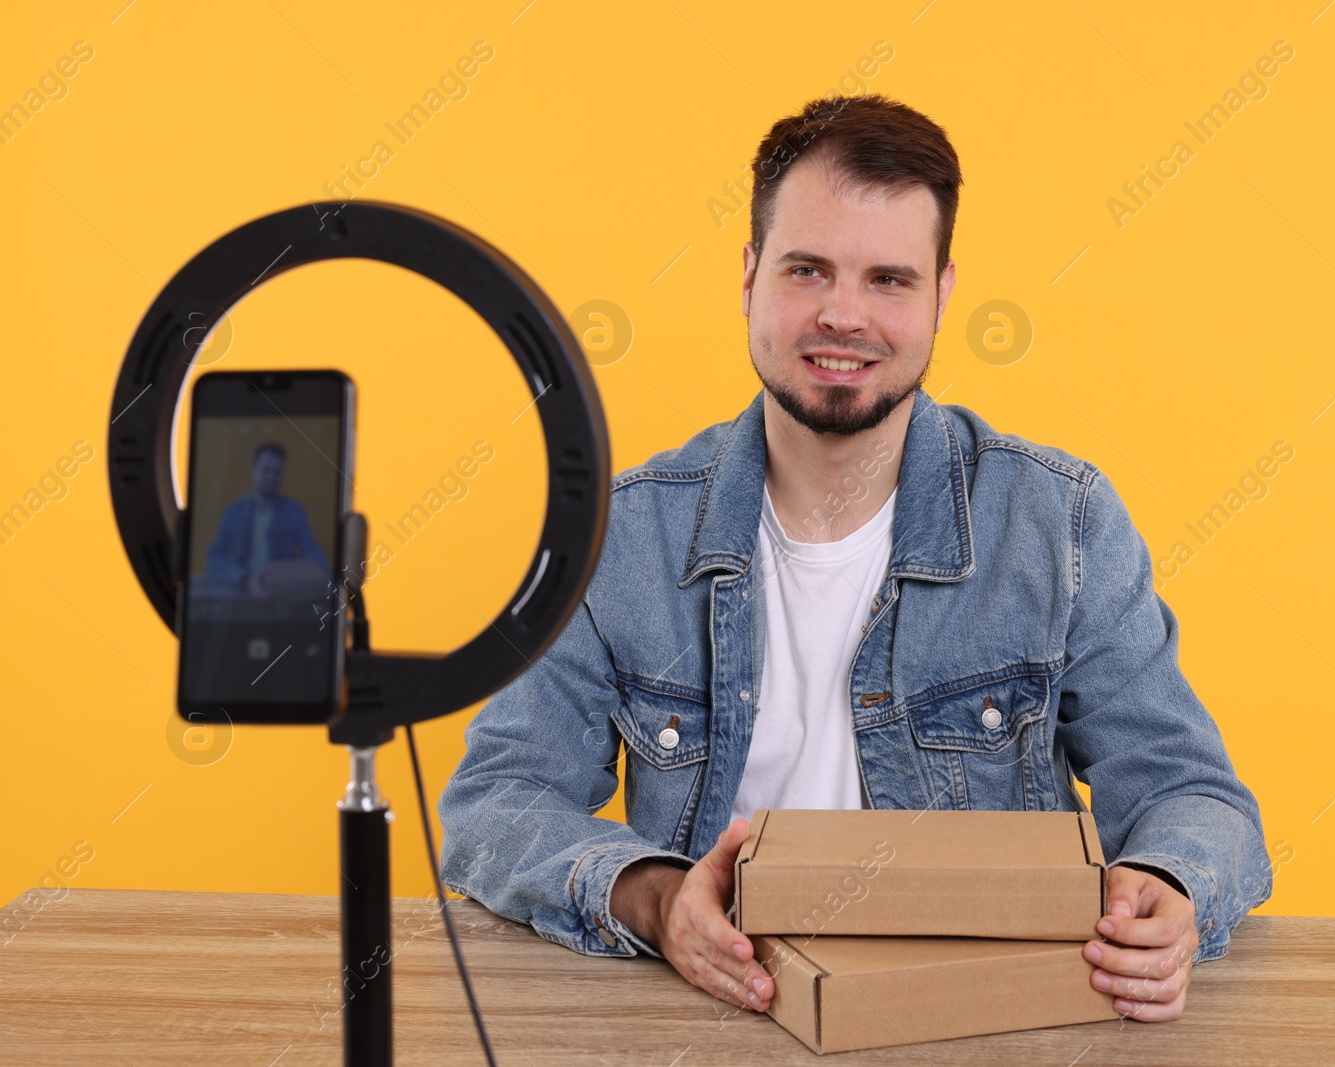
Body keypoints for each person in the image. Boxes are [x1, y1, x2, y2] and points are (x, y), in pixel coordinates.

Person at [439, 93, 1271, 1024]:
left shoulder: (1060, 523)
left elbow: (1192, 793)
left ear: (941, 295)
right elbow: (495, 803)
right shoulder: (625, 536)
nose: (844, 315)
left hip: (980, 1024)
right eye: (807, 269)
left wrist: (1171, 887)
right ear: (749, 275)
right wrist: (657, 898)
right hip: (715, 1021)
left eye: (888, 279)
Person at [203, 441, 330, 597]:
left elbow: (311, 551)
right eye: (266, 470)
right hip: (240, 593)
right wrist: (245, 579)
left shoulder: (294, 511)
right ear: (253, 471)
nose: (271, 477)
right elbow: (214, 559)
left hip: (280, 594)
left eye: (277, 472)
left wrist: (322, 571)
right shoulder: (233, 513)